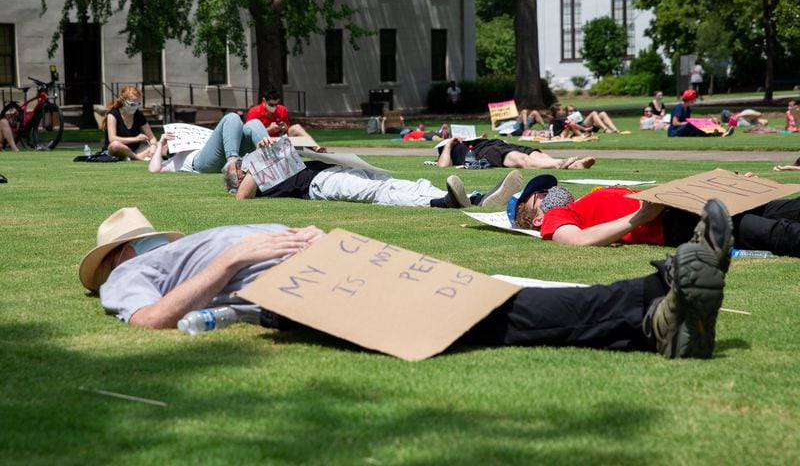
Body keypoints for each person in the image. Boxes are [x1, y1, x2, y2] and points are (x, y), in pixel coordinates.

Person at [80, 204, 734, 359]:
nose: (141, 245)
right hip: (301, 297)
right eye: (128, 246)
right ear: (114, 262)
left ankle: (658, 324)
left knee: (492, 305)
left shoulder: (173, 249)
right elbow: (146, 324)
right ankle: (653, 301)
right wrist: (232, 260)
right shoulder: (126, 281)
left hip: (329, 267)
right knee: (489, 312)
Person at [509, 173, 800, 257]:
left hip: (683, 204)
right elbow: (577, 241)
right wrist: (640, 218)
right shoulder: (555, 217)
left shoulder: (583, 201)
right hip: (672, 222)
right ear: (535, 218)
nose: (550, 191)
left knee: (788, 208)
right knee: (775, 232)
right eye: (540, 195)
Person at [235, 137, 523, 208]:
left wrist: (313, 149)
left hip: (335, 168)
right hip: (320, 184)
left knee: (397, 182)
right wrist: (253, 161)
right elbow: (241, 197)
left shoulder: (278, 161)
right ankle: (441, 202)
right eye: (238, 168)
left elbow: (300, 134)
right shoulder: (254, 177)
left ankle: (474, 198)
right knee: (379, 193)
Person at [148, 112, 272, 189]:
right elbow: (154, 169)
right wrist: (160, 143)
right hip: (202, 163)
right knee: (232, 117)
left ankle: (274, 162)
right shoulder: (173, 161)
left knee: (253, 124)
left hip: (225, 149)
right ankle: (233, 165)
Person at [436, 136, 596, 170]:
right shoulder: (448, 148)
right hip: (487, 151)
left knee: (538, 155)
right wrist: (450, 143)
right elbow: (442, 165)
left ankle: (574, 164)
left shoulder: (468, 140)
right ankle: (558, 164)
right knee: (522, 160)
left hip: (496, 143)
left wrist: (481, 138)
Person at [244, 89, 323, 151]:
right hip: (263, 143)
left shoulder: (281, 109)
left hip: (280, 140)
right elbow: (248, 135)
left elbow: (287, 129)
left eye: (276, 104)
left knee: (296, 127)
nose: (274, 107)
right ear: (264, 101)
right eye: (271, 104)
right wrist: (268, 130)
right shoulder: (254, 111)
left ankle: (317, 148)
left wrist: (285, 128)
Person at [102, 85, 158, 160]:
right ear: (123, 101)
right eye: (132, 104)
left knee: (163, 143)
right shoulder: (113, 114)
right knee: (115, 145)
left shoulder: (138, 115)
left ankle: (131, 157)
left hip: (135, 151)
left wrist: (153, 146)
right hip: (117, 150)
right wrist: (136, 139)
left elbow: (152, 138)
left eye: (138, 104)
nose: (135, 107)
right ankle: (138, 158)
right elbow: (112, 139)